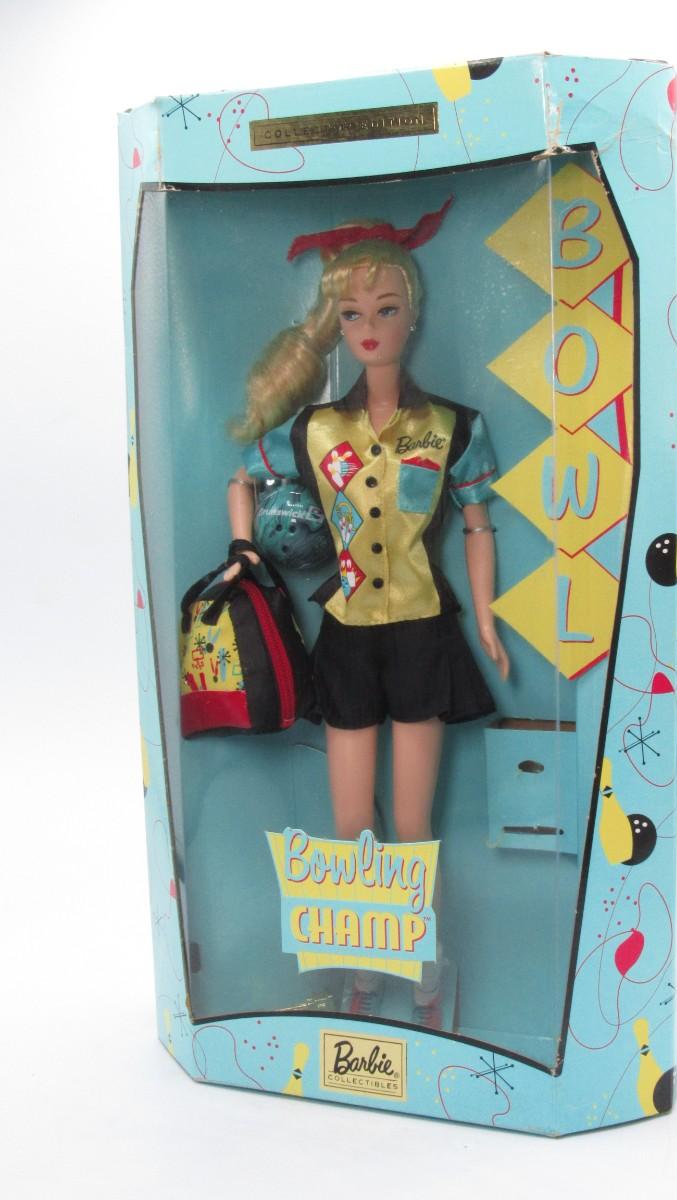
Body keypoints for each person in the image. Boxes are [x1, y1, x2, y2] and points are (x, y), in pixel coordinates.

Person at [225, 200, 509, 1023]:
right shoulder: (314, 430)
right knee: (352, 820)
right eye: (352, 315)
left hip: (422, 635)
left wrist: (485, 619)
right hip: (347, 638)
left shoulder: (453, 427)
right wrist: (245, 552)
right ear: (337, 326)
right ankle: (363, 958)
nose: (370, 329)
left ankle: (425, 961)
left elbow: (479, 524)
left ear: (412, 315)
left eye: (385, 310)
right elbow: (241, 474)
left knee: (413, 824)